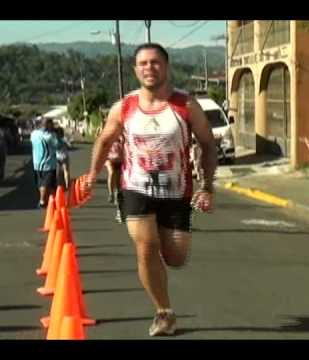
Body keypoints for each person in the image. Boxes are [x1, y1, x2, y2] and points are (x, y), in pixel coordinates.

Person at [83, 43, 218, 336]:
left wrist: (207, 186)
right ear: (135, 70)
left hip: (176, 192)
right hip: (136, 188)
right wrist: (92, 174)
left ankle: (163, 283)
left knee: (175, 257)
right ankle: (163, 312)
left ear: (166, 67)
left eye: (155, 62)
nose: (149, 68)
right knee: (146, 248)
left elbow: (208, 145)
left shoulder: (186, 105)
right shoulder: (125, 107)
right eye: (143, 63)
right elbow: (105, 140)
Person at [30, 118, 58, 208]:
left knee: (40, 182)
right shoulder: (51, 136)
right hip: (48, 164)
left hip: (36, 164)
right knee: (46, 183)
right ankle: (43, 200)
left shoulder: (33, 134)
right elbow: (58, 145)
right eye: (51, 124)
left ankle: (45, 200)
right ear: (48, 125)